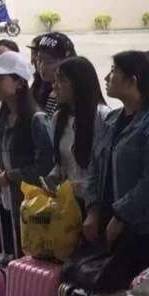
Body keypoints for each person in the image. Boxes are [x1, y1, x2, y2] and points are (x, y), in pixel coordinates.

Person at [83, 52, 149, 278]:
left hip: (141, 228)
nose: (106, 77)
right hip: (107, 222)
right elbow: (95, 165)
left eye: (114, 71)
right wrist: (92, 210)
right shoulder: (111, 119)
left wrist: (121, 216)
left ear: (132, 81)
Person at [0, 51, 54, 237]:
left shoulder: (37, 120)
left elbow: (45, 166)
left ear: (19, 82)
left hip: (34, 206)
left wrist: (11, 176)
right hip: (4, 202)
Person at [48, 57, 110, 203]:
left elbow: (104, 168)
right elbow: (61, 162)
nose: (55, 86)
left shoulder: (102, 116)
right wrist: (54, 176)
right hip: (67, 201)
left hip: (95, 202)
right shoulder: (59, 118)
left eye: (62, 80)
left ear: (79, 83)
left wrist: (83, 187)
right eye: (55, 80)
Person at [29, 32, 76, 115]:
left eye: (49, 62)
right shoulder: (43, 87)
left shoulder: (70, 94)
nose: (42, 66)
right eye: (39, 60)